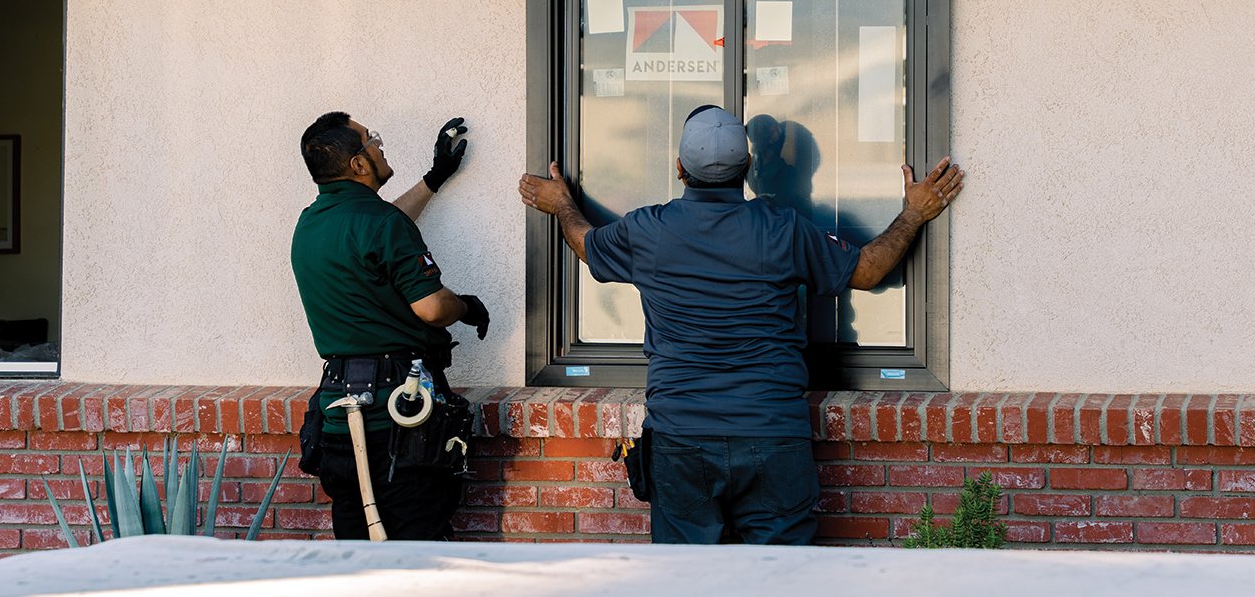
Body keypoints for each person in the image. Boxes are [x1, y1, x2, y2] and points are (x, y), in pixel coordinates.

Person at [518, 105, 963, 545]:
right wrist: (914, 214)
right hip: (772, 433)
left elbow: (587, 244)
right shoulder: (783, 229)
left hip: (681, 435)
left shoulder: (648, 231)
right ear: (746, 167)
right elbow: (866, 271)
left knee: (685, 584)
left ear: (678, 168)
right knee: (781, 582)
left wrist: (561, 205)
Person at [292, 111, 490, 540]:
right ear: (359, 164)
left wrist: (433, 179)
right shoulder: (382, 224)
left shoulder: (310, 224)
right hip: (401, 421)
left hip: (339, 420)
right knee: (417, 561)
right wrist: (467, 307)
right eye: (372, 140)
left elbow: (375, 230)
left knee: (358, 558)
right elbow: (433, 308)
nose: (380, 145)